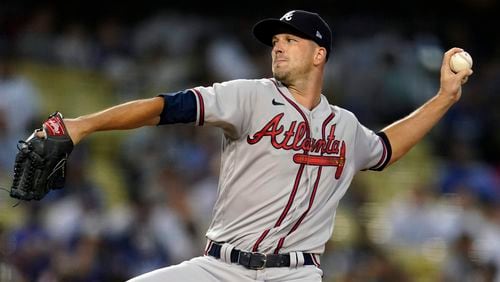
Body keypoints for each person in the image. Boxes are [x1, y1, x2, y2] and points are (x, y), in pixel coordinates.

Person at [40, 10, 472, 282]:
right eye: (276, 42)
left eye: (290, 40)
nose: (277, 47)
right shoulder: (248, 95)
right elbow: (164, 108)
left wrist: (444, 98)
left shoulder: (344, 126)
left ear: (319, 54)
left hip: (297, 274)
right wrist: (83, 124)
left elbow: (386, 148)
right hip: (220, 268)